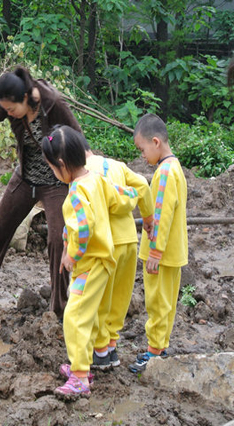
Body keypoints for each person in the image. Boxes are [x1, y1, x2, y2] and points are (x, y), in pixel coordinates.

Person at [0, 66, 82, 317]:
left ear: (26, 98)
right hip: (26, 177)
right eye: (5, 109)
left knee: (58, 240)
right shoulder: (9, 98)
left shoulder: (52, 103)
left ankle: (59, 311)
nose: (8, 113)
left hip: (56, 180)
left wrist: (84, 177)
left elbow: (77, 138)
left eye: (11, 109)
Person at [42, 125, 139, 397]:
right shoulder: (96, 180)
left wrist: (71, 255)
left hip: (90, 263)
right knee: (90, 314)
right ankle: (80, 363)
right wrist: (134, 196)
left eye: (51, 168)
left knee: (74, 316)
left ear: (62, 165)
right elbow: (124, 197)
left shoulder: (75, 193)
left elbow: (82, 229)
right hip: (105, 260)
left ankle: (81, 378)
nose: (53, 173)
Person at [81, 140, 154, 370]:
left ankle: (100, 351)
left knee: (101, 297)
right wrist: (149, 217)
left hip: (106, 245)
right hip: (129, 240)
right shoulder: (117, 165)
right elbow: (142, 184)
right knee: (121, 296)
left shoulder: (83, 174)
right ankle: (112, 346)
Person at [129, 113, 188, 373]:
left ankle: (153, 353)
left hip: (160, 256)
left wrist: (154, 251)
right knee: (167, 302)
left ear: (155, 142)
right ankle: (160, 347)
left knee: (156, 302)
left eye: (142, 149)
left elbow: (161, 214)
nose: (142, 156)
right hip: (174, 253)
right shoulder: (176, 168)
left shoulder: (163, 173)